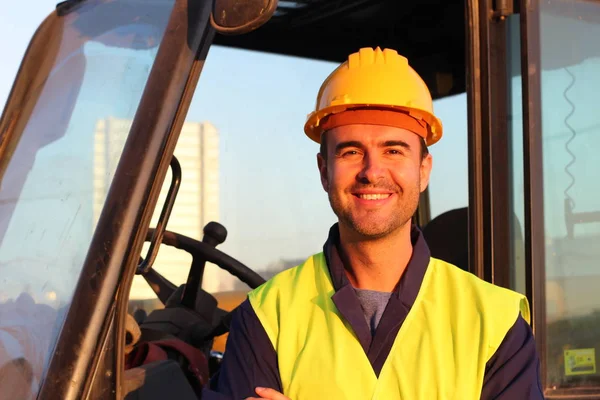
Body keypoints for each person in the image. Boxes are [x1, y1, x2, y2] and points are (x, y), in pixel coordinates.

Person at [203, 47, 544, 399]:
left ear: (423, 170)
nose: (372, 171)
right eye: (351, 152)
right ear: (324, 171)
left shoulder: (495, 322)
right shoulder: (265, 317)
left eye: (393, 150)